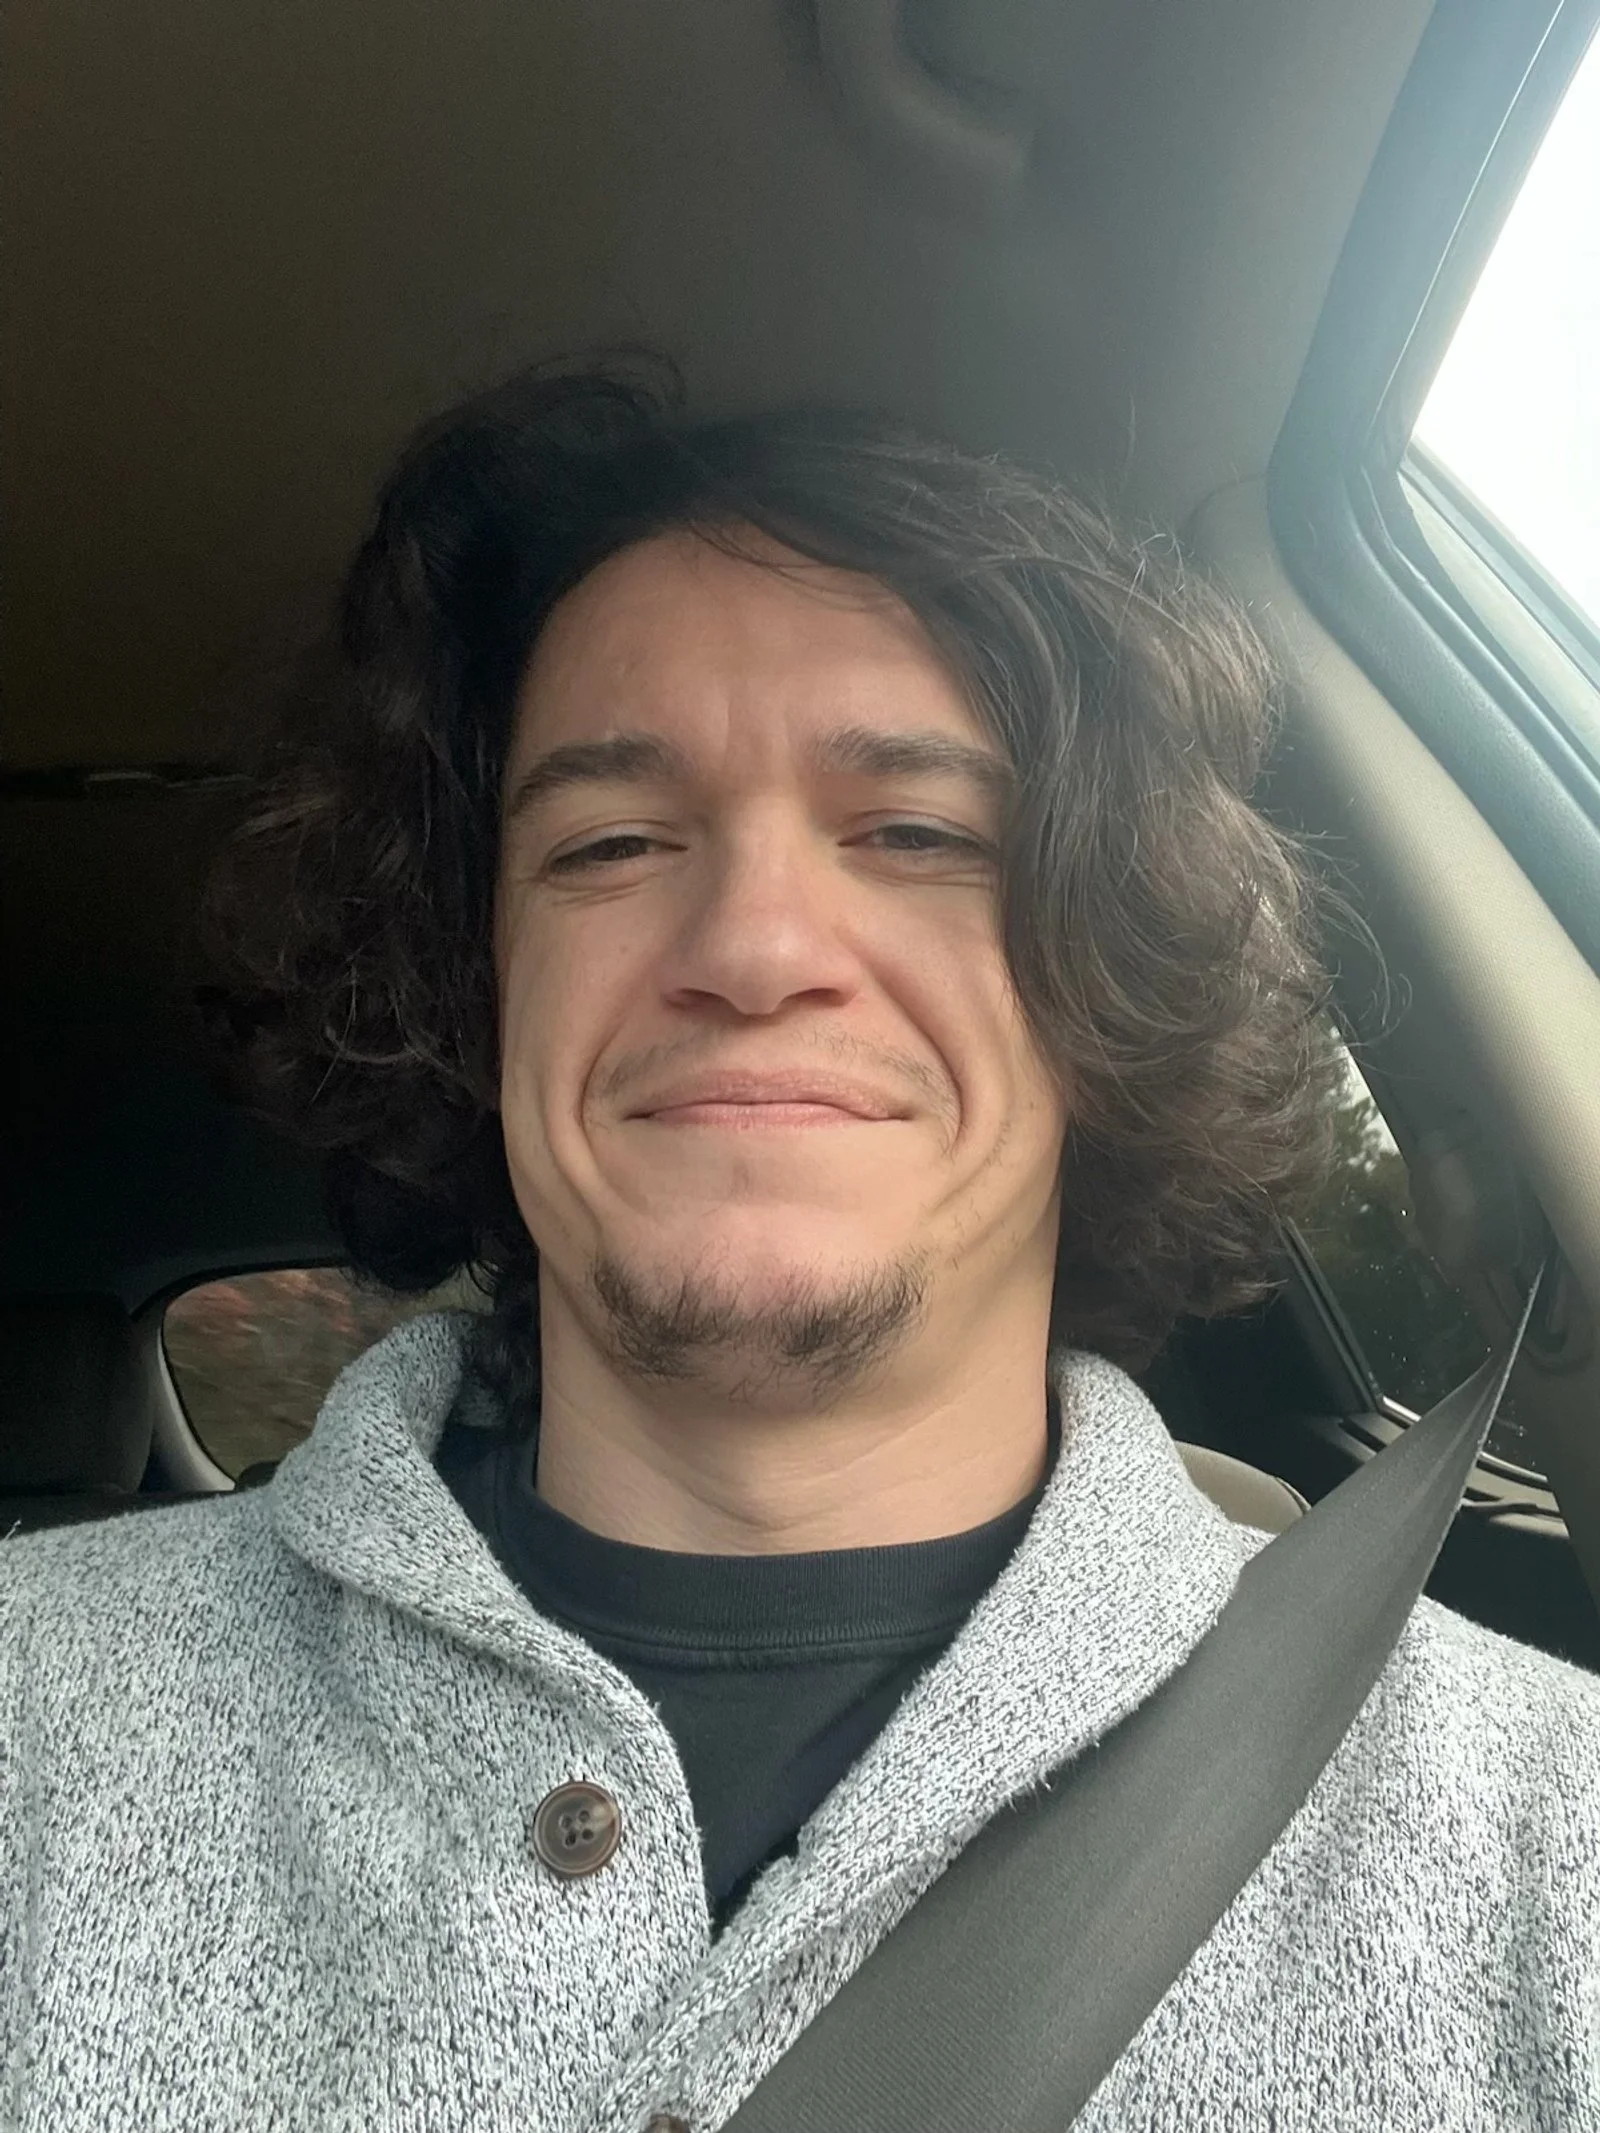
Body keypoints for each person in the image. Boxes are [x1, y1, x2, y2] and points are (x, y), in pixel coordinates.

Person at [3, 363, 1597, 2132]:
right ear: (477, 990)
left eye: (916, 835)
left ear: (1105, 990)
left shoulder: (1554, 1850)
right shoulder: (30, 1723)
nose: (754, 949)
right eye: (613, 842)